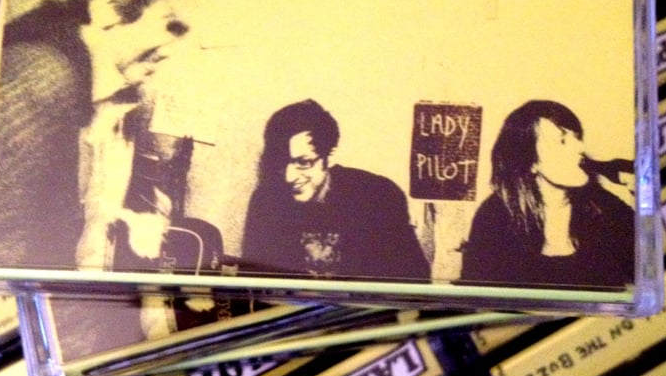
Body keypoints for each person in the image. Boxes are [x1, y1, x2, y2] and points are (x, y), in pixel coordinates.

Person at [0, 0, 193, 274]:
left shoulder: (120, 99)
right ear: (107, 7)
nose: (170, 50)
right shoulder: (38, 76)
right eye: (169, 24)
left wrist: (134, 217)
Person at [241, 99, 430, 282]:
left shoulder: (378, 196)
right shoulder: (266, 201)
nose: (289, 177)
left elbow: (413, 279)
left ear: (329, 156)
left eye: (304, 162)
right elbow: (257, 283)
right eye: (282, 162)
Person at [459, 100, 635, 290]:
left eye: (577, 137)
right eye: (562, 141)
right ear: (531, 162)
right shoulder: (494, 217)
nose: (580, 148)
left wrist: (648, 205)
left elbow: (649, 271)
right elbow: (478, 296)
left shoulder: (605, 208)